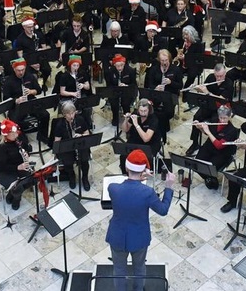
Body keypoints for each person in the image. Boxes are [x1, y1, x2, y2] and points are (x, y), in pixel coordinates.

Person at [106, 149, 174, 291]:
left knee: (119, 270)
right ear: (144, 170)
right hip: (139, 238)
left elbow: (127, 188)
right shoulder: (147, 193)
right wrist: (168, 187)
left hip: (117, 236)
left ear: (126, 168)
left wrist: (139, 176)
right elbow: (163, 210)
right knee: (139, 268)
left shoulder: (113, 188)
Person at [186, 63, 234, 155]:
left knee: (214, 123)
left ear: (225, 73)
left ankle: (212, 144)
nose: (218, 78)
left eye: (220, 76)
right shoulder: (211, 77)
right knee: (196, 117)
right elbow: (203, 90)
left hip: (221, 109)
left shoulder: (229, 83)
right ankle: (195, 143)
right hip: (209, 105)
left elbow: (221, 99)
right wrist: (196, 88)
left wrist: (207, 92)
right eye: (217, 76)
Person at [4, 58, 50, 143]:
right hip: (17, 105)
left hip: (30, 101)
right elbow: (5, 99)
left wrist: (31, 91)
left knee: (45, 115)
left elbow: (39, 90)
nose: (21, 72)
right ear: (14, 69)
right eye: (18, 70)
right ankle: (22, 140)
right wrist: (16, 100)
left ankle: (42, 136)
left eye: (23, 70)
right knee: (14, 121)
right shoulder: (8, 81)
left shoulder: (30, 76)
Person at [193, 105, 240, 189]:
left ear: (230, 117)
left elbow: (219, 146)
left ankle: (211, 177)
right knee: (197, 164)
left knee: (210, 168)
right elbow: (207, 133)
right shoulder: (214, 120)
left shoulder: (232, 130)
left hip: (222, 152)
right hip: (210, 146)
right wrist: (200, 128)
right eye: (220, 118)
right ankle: (209, 178)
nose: (222, 120)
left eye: (225, 118)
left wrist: (208, 132)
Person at [0, 119, 35, 210]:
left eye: (16, 132)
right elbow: (1, 167)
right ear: (7, 135)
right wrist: (17, 167)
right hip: (6, 170)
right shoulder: (1, 147)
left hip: (20, 165)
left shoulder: (18, 137)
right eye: (14, 134)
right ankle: (17, 198)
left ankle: (12, 193)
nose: (17, 135)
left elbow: (27, 147)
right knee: (17, 185)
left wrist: (27, 153)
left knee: (31, 178)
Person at [144, 49, 182, 142]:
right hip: (157, 93)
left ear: (169, 59)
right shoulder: (154, 69)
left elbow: (180, 85)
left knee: (168, 112)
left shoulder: (175, 69)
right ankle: (157, 125)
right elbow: (150, 84)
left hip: (170, 93)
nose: (164, 63)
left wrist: (170, 82)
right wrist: (156, 87)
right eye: (162, 61)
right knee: (152, 109)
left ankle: (163, 124)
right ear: (159, 60)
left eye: (166, 60)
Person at [53, 101, 92, 190]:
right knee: (67, 162)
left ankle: (84, 178)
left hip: (80, 145)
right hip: (67, 148)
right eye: (68, 114)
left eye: (73, 113)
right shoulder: (60, 125)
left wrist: (81, 136)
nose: (71, 116)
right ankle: (72, 176)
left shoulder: (80, 119)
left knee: (85, 161)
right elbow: (57, 142)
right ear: (64, 114)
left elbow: (87, 133)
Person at [121, 101, 162, 170]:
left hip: (150, 144)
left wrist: (136, 125)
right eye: (141, 111)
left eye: (145, 111)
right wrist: (126, 120)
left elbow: (146, 139)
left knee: (143, 158)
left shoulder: (153, 119)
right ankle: (127, 173)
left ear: (149, 110)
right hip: (136, 139)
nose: (143, 113)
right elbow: (125, 129)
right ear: (138, 110)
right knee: (123, 156)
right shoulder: (135, 114)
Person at [14, 17, 52, 89]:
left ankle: (43, 82)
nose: (31, 29)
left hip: (39, 58)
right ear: (24, 27)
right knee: (30, 76)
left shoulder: (38, 35)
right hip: (28, 61)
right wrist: (31, 64)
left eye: (32, 27)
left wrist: (42, 50)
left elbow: (44, 48)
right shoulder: (20, 39)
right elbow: (20, 56)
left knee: (47, 70)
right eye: (29, 27)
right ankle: (35, 85)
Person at [58, 55, 93, 129]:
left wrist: (83, 85)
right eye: (74, 65)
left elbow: (88, 87)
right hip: (68, 97)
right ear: (70, 65)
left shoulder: (82, 73)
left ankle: (87, 126)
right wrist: (73, 93)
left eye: (77, 65)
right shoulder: (64, 76)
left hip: (80, 95)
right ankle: (71, 126)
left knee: (88, 108)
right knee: (70, 109)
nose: (76, 67)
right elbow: (62, 92)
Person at [104, 53, 137, 126]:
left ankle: (127, 118)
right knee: (113, 102)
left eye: (121, 65)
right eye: (117, 66)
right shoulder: (110, 71)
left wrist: (126, 85)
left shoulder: (130, 70)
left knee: (125, 102)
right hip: (114, 91)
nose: (120, 68)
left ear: (124, 64)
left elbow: (134, 85)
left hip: (127, 91)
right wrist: (116, 87)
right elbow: (108, 85)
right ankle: (115, 117)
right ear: (114, 65)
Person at [174, 25, 204, 89]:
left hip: (194, 64)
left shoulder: (198, 44)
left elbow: (197, 57)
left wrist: (185, 57)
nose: (185, 37)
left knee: (191, 75)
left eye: (187, 35)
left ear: (191, 35)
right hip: (185, 63)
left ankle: (185, 89)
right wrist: (180, 56)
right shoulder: (184, 42)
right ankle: (178, 87)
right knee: (175, 71)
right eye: (184, 35)